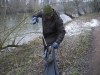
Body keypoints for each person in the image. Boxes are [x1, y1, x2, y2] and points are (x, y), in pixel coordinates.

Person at [32, 4, 66, 75]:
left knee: (49, 57)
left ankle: (50, 72)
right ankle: (51, 71)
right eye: (47, 16)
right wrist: (35, 17)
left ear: (52, 12)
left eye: (50, 15)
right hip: (45, 39)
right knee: (48, 56)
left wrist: (57, 42)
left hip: (53, 39)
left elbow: (62, 31)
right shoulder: (44, 14)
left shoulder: (57, 19)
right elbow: (38, 13)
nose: (49, 17)